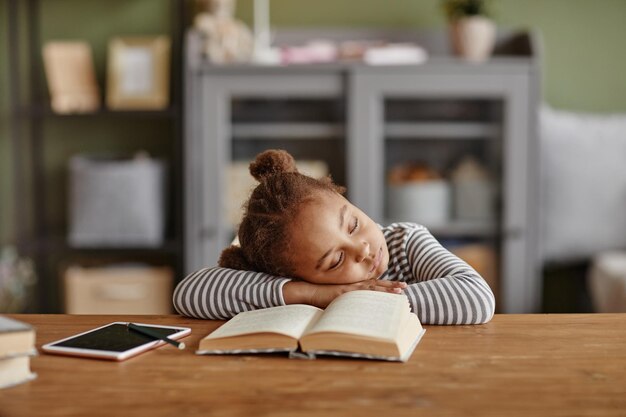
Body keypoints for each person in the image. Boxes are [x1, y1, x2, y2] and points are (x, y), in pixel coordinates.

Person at [173, 149, 495, 324]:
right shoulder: (297, 286)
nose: (364, 249)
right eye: (337, 259)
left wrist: (362, 300)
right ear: (297, 275)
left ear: (345, 198)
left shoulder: (405, 242)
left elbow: (477, 298)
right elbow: (189, 293)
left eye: (352, 224)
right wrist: (314, 295)